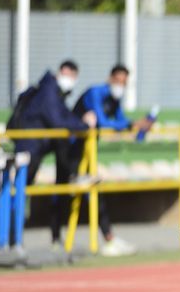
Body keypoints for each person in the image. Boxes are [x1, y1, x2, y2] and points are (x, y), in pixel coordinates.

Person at [52, 64, 150, 256]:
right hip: (69, 149)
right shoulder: (95, 93)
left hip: (88, 152)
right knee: (61, 192)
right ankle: (56, 240)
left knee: (93, 193)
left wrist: (139, 125)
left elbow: (120, 120)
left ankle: (108, 238)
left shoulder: (115, 99)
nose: (121, 85)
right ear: (110, 78)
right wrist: (130, 124)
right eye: (118, 81)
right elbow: (105, 122)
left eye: (124, 83)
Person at [10, 60, 95, 186]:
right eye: (69, 75)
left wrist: (81, 122)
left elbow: (65, 116)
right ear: (62, 72)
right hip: (30, 143)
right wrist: (84, 125)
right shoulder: (48, 91)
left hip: (37, 143)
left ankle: (70, 176)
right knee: (22, 185)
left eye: (73, 77)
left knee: (25, 184)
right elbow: (57, 121)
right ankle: (71, 176)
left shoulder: (55, 92)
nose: (70, 80)